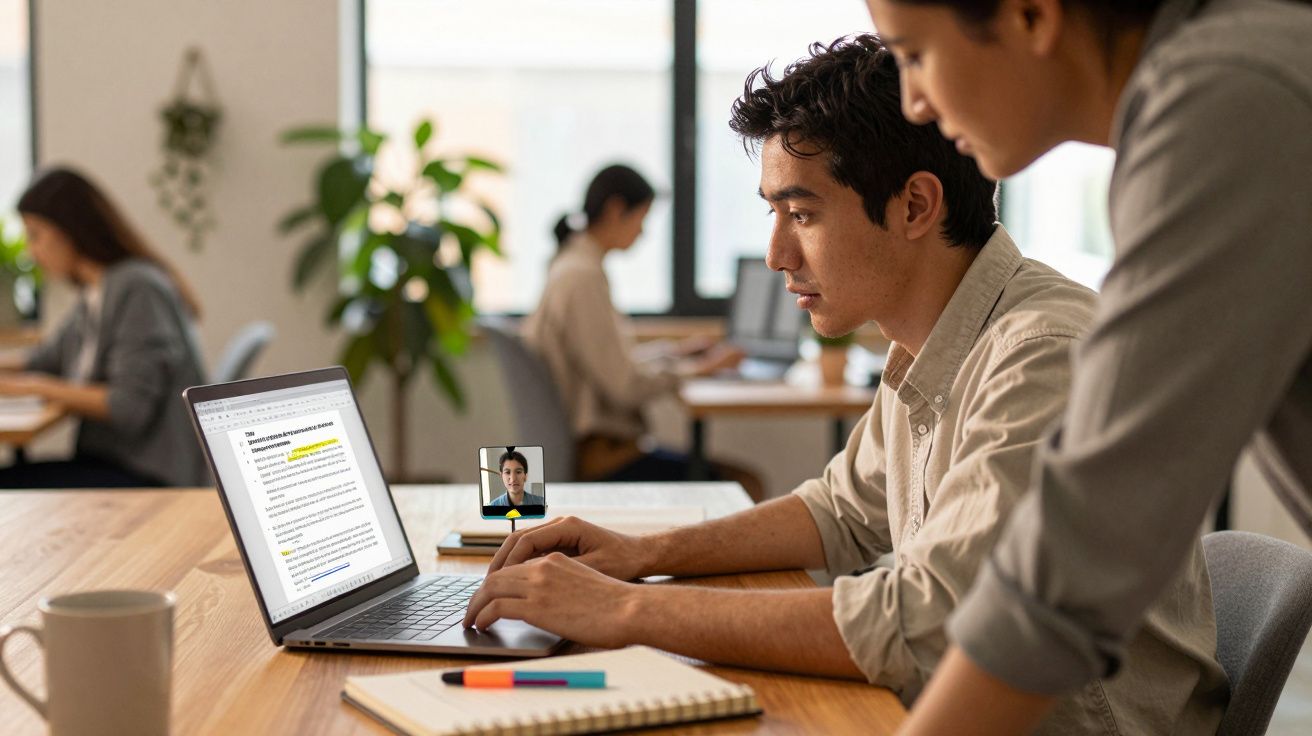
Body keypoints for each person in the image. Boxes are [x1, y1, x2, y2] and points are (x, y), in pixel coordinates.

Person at [462, 36, 1227, 733]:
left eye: (801, 212)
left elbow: (933, 623)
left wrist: (629, 608)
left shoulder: (1043, 356)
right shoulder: (923, 347)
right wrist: (640, 553)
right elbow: (838, 512)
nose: (776, 254)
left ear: (915, 206)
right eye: (773, 213)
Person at [858, 0, 1312, 733]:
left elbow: (1081, 551)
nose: (914, 100)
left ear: (1030, 15)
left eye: (913, 54)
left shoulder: (1227, 95)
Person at [522, 164, 764, 499]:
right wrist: (698, 370)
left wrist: (675, 353)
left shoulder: (572, 266)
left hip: (594, 451)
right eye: (642, 218)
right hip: (602, 460)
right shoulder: (581, 278)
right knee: (745, 485)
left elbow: (607, 364)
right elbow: (625, 387)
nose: (643, 232)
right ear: (616, 209)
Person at [0, 167, 209, 488]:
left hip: (148, 474)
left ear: (70, 229)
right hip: (113, 463)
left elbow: (128, 407)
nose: (31, 251)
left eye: (35, 235)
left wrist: (34, 387)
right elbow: (45, 360)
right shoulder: (96, 293)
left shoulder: (137, 287)